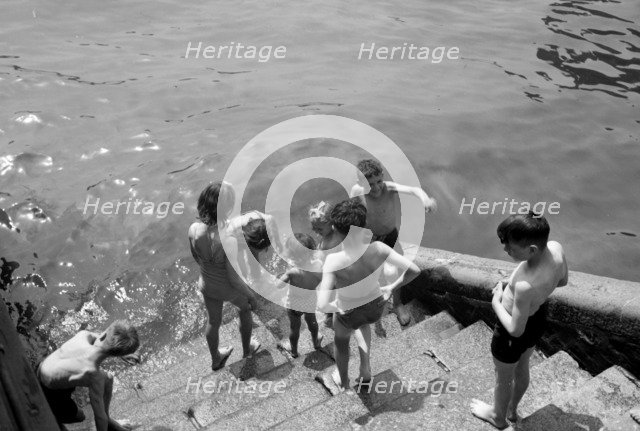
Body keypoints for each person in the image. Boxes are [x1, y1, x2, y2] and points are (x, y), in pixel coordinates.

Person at [471, 212, 568, 429]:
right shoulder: (555, 248)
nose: (506, 250)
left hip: (511, 335)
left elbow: (515, 329)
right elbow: (562, 281)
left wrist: (496, 301)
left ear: (531, 249)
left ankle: (498, 416)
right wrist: (520, 286)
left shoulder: (525, 287)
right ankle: (512, 410)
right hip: (537, 318)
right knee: (523, 366)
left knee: (503, 377)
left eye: (511, 248)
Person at [317, 198, 420, 392]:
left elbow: (322, 305)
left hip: (347, 311)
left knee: (341, 344)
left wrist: (336, 307)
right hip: (375, 306)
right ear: (364, 226)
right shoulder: (378, 249)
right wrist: (391, 287)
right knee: (364, 326)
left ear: (336, 229)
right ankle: (365, 369)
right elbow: (415, 270)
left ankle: (344, 380)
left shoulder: (334, 261)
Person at [350, 159, 437, 326]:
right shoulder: (356, 191)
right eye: (370, 184)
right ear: (360, 182)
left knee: (392, 272)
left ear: (382, 177)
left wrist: (425, 200)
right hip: (369, 238)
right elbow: (352, 212)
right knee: (364, 270)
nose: (375, 188)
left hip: (388, 235)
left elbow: (414, 190)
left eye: (378, 181)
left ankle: (397, 303)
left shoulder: (388, 188)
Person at [188, 182, 261, 371]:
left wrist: (210, 271)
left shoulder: (194, 229)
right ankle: (247, 349)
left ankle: (216, 358)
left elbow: (197, 257)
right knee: (244, 309)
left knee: (213, 322)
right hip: (228, 288)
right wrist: (251, 296)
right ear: (227, 209)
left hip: (207, 285)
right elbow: (234, 278)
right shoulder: (228, 239)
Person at [36, 321, 139, 431]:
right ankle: (53, 419)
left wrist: (121, 353)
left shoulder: (83, 335)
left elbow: (102, 339)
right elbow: (99, 417)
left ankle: (109, 419)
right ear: (117, 355)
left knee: (108, 377)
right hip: (50, 394)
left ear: (103, 335)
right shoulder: (92, 374)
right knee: (80, 416)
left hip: (40, 369)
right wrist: (121, 353)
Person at [275, 233, 324, 358]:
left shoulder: (293, 272)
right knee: (312, 321)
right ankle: (316, 343)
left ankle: (294, 351)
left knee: (294, 328)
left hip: (294, 303)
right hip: (310, 300)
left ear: (291, 255)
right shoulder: (318, 265)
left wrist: (282, 275)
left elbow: (279, 285)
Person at [309, 201, 345, 329]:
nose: (315, 231)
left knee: (333, 294)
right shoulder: (332, 234)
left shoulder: (335, 239)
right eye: (313, 227)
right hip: (333, 272)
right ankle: (331, 314)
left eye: (318, 228)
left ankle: (333, 317)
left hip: (336, 274)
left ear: (331, 222)